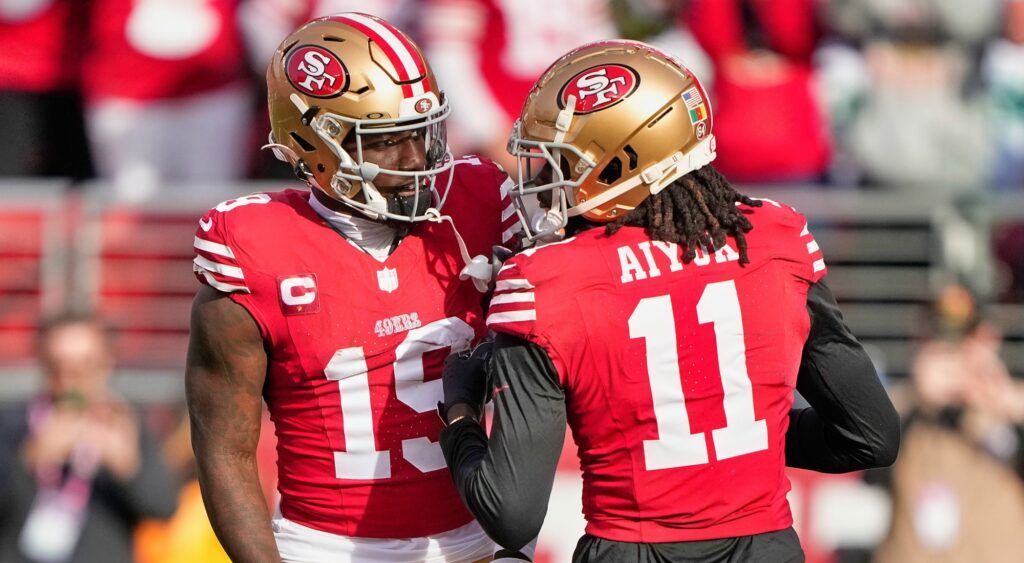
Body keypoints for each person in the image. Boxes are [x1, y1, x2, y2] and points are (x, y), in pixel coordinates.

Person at [438, 40, 900, 562]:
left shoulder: (547, 282)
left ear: (619, 165)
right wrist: (741, 434)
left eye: (561, 164)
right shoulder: (774, 239)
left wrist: (459, 415)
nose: (545, 182)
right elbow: (870, 436)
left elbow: (512, 512)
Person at [185, 13, 519, 563]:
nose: (416, 160)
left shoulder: (479, 202)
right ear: (312, 144)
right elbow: (224, 447)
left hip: (479, 536)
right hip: (327, 548)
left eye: (421, 131)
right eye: (387, 141)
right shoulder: (253, 245)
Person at [0, 312, 177, 563]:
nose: (71, 379)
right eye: (58, 365)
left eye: (85, 365)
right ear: (42, 362)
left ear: (107, 362)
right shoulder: (11, 421)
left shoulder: (126, 421)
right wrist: (30, 460)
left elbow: (163, 508)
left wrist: (128, 467)